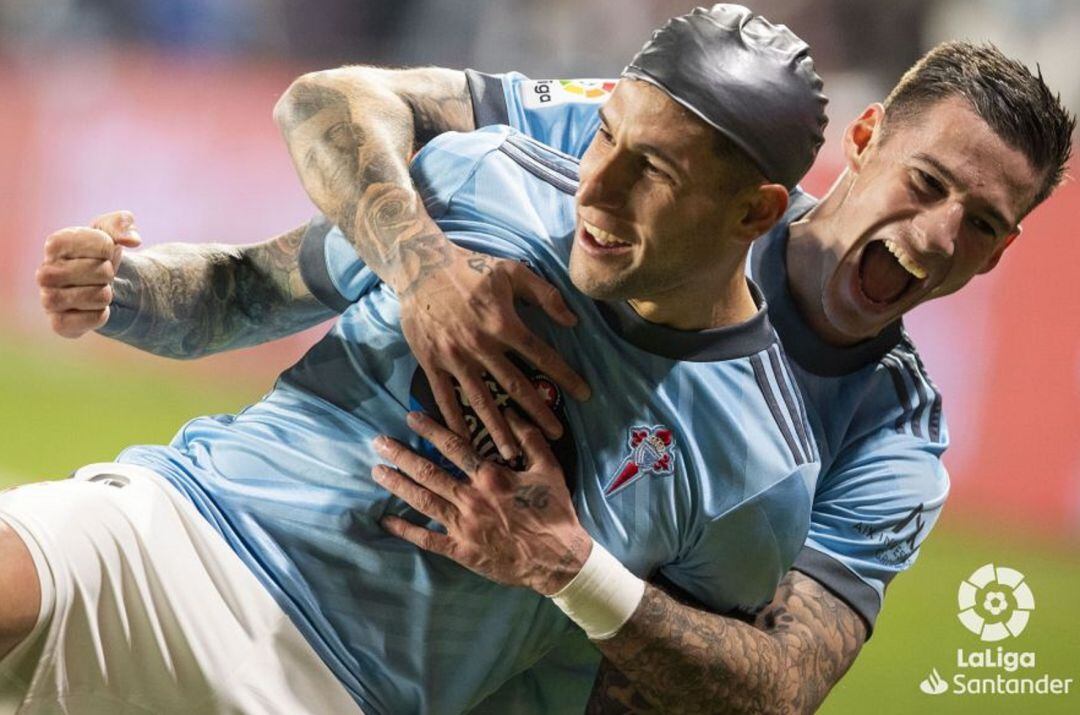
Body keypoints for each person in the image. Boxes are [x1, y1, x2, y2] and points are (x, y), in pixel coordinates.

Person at [8, 6, 831, 714]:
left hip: (347, 690)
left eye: (653, 169)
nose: (597, 188)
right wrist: (123, 288)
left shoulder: (759, 466)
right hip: (173, 533)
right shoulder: (486, 181)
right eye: (606, 136)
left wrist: (571, 572)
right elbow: (244, 289)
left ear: (753, 211)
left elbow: (696, 691)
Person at [269, 23, 1072, 715]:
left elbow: (784, 685)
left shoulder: (894, 441)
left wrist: (571, 569)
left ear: (1002, 252)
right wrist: (423, 268)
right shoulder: (676, 156)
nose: (937, 237)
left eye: (981, 225)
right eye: (926, 183)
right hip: (315, 609)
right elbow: (346, 100)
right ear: (862, 141)